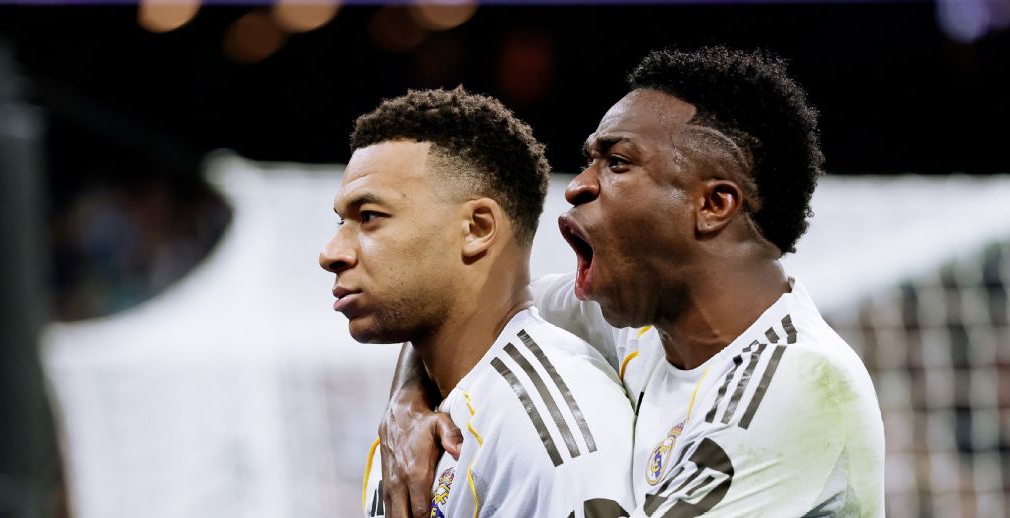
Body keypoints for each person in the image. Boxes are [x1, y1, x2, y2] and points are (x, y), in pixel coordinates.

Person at [378, 48, 885, 517]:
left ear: (713, 205)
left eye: (617, 163)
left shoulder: (798, 386)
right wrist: (406, 403)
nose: (579, 185)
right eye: (589, 161)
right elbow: (467, 307)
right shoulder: (641, 325)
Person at [321, 88, 635, 517]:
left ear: (477, 228)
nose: (331, 253)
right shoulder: (407, 431)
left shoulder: (546, 429)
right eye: (342, 221)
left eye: (370, 216)